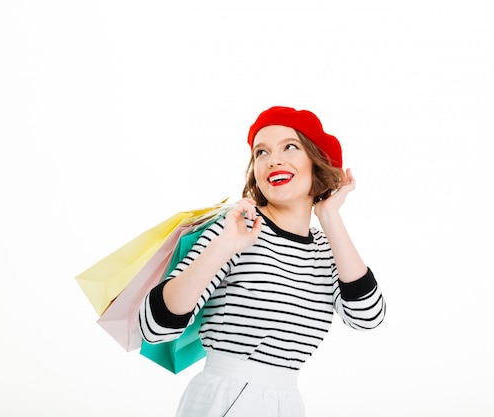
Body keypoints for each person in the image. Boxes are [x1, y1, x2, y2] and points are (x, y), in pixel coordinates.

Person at [139, 106, 386, 417]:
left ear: (317, 161)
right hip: (226, 398)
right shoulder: (237, 228)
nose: (273, 160)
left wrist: (329, 216)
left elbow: (367, 317)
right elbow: (155, 328)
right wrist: (225, 245)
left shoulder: (326, 249)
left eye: (290, 146)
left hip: (287, 402)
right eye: (261, 152)